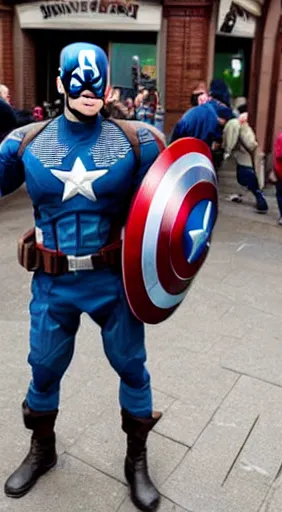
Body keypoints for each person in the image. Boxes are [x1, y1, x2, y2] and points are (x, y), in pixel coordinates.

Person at [0, 42, 166, 512]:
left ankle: (137, 462)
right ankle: (43, 449)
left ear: (109, 85)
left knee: (131, 365)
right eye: (78, 78)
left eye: (98, 81)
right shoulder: (25, 143)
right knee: (44, 366)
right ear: (60, 83)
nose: (89, 89)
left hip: (113, 280)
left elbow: (177, 205)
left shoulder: (138, 142)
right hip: (53, 282)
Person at [222, 103, 268, 213]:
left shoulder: (236, 124)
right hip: (249, 156)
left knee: (247, 178)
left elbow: (241, 142)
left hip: (244, 157)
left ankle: (261, 203)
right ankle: (260, 200)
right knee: (249, 179)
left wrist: (227, 151)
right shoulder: (245, 124)